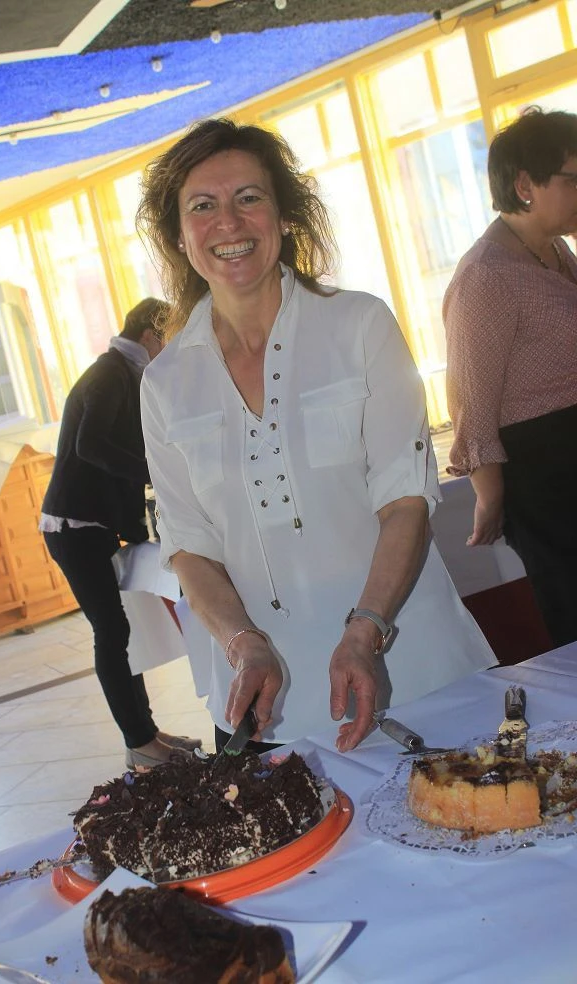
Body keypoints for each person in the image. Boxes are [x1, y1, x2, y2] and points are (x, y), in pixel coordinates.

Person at [138, 117, 494, 754]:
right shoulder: (164, 382)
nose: (229, 222)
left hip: (413, 662)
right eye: (203, 206)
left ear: (284, 215)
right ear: (179, 237)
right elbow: (188, 545)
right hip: (265, 699)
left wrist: (365, 631)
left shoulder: (359, 324)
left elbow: (404, 501)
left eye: (249, 197)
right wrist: (242, 644)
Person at [40, 298, 202, 768]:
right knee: (111, 632)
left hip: (90, 526)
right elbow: (90, 445)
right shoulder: (111, 373)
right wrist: (152, 473)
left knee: (121, 629)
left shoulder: (122, 373)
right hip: (74, 526)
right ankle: (139, 743)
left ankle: (145, 734)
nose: (168, 350)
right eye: (166, 339)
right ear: (151, 335)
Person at [444, 107, 577, 649]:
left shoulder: (555, 248)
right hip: (544, 470)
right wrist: (492, 497)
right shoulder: (485, 276)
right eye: (573, 180)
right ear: (525, 186)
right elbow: (471, 403)